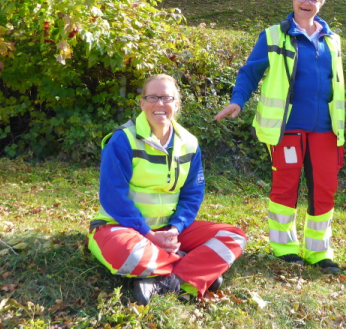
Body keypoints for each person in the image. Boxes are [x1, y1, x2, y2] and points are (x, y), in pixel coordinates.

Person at [214, 0, 345, 274]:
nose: (306, 2)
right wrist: (238, 100)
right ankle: (285, 248)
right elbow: (250, 72)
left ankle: (319, 251)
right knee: (286, 186)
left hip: (326, 129)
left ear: (322, 3)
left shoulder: (333, 40)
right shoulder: (273, 35)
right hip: (287, 128)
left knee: (324, 189)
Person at [88, 74, 247, 304]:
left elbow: (192, 195)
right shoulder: (123, 140)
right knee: (129, 256)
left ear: (177, 104)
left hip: (171, 231)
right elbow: (113, 197)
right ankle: (196, 272)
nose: (159, 104)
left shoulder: (189, 143)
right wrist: (149, 234)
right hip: (120, 228)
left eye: (166, 98)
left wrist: (174, 228)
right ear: (142, 103)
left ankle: (167, 279)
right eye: (152, 97)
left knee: (234, 237)